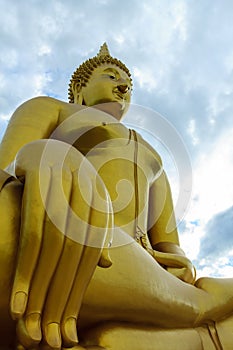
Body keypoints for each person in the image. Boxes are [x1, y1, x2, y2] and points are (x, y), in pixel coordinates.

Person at [0, 43, 233, 350]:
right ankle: (194, 318)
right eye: (111, 76)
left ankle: (149, 334)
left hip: (133, 264)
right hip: (54, 226)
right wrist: (43, 156)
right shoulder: (51, 108)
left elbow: (170, 247)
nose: (123, 86)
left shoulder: (153, 158)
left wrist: (178, 265)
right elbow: (6, 172)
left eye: (128, 84)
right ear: (80, 88)